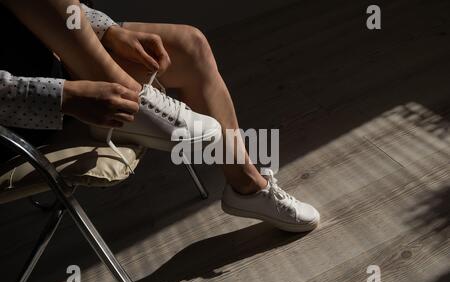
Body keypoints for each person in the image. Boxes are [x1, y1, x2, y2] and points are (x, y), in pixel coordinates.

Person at [0, 0, 319, 232]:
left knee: (190, 45)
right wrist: (61, 98)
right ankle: (128, 96)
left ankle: (248, 188)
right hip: (16, 124)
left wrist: (107, 30)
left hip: (47, 61)